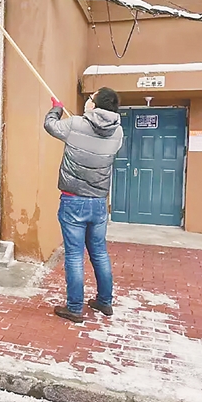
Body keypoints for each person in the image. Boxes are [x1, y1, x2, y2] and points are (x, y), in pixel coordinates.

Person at [43, 87, 123, 323]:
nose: (87, 101)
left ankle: (75, 307)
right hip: (98, 203)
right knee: (99, 252)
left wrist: (56, 108)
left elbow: (50, 126)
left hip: (73, 200)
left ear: (95, 105)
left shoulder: (76, 124)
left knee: (75, 255)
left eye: (90, 98)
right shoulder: (117, 132)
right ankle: (104, 302)